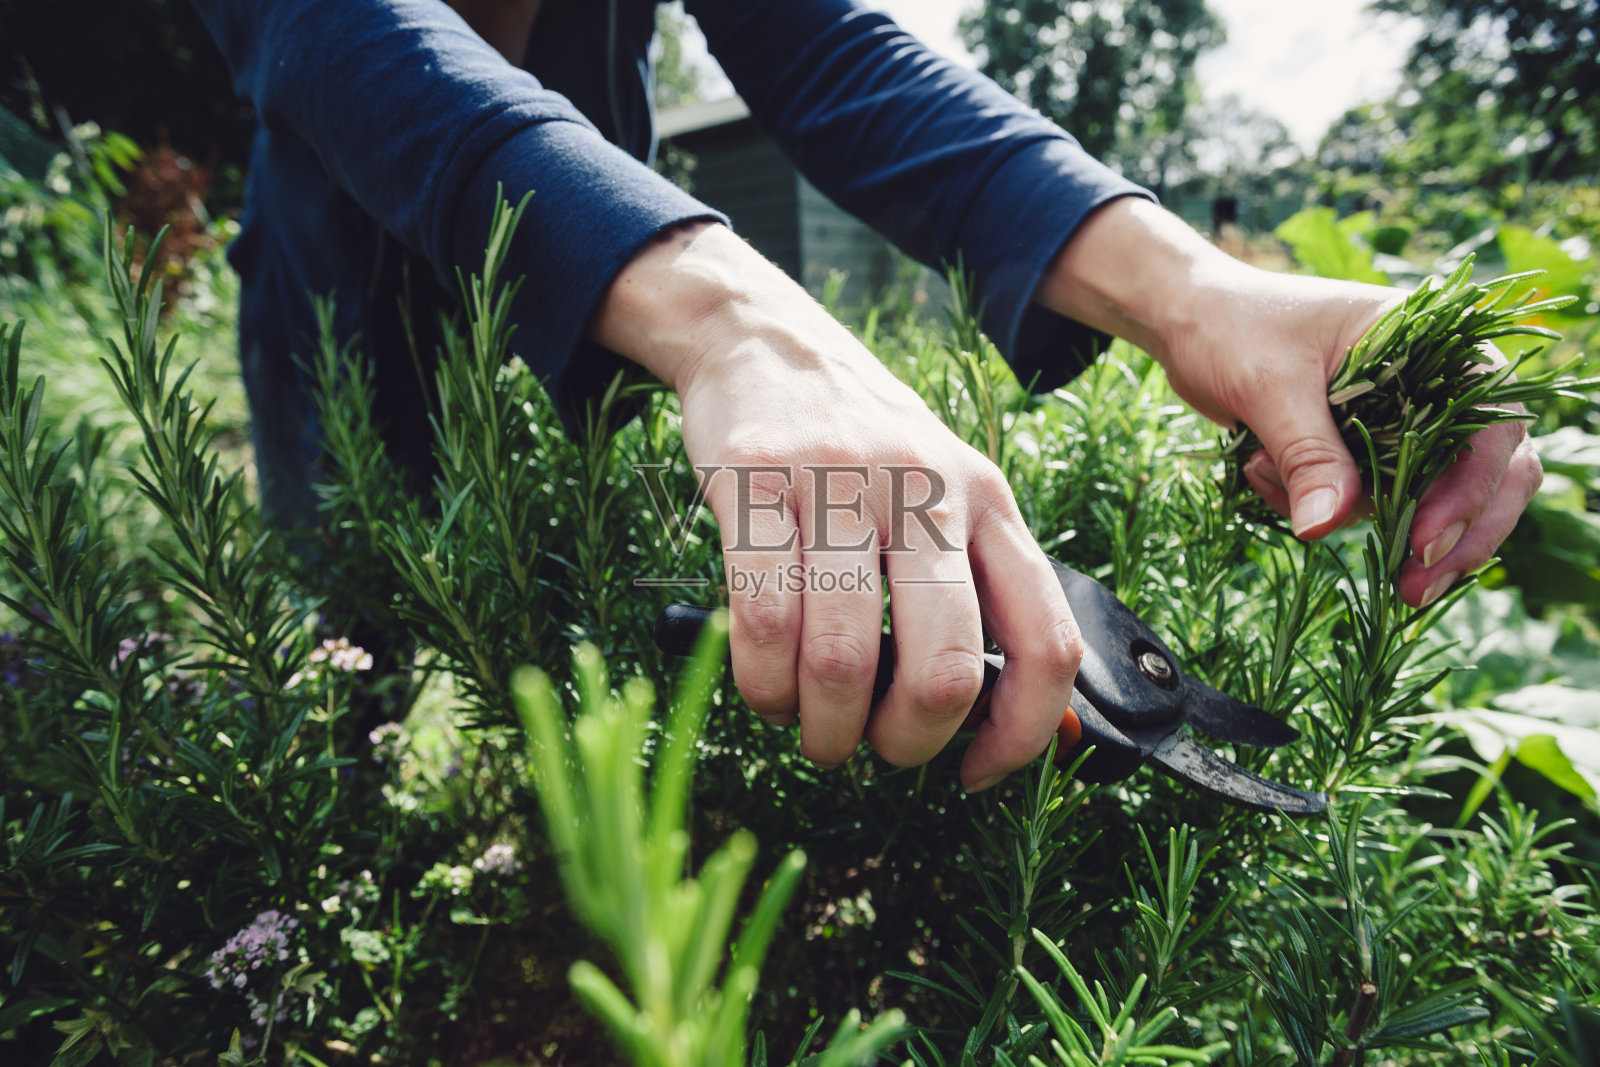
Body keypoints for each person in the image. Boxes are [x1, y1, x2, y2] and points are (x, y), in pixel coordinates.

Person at [188, 0, 1542, 793]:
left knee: (592, 650)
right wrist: (734, 321)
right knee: (348, 668)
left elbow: (823, 50)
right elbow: (326, 26)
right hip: (346, 320)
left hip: (610, 337)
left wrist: (1190, 287)